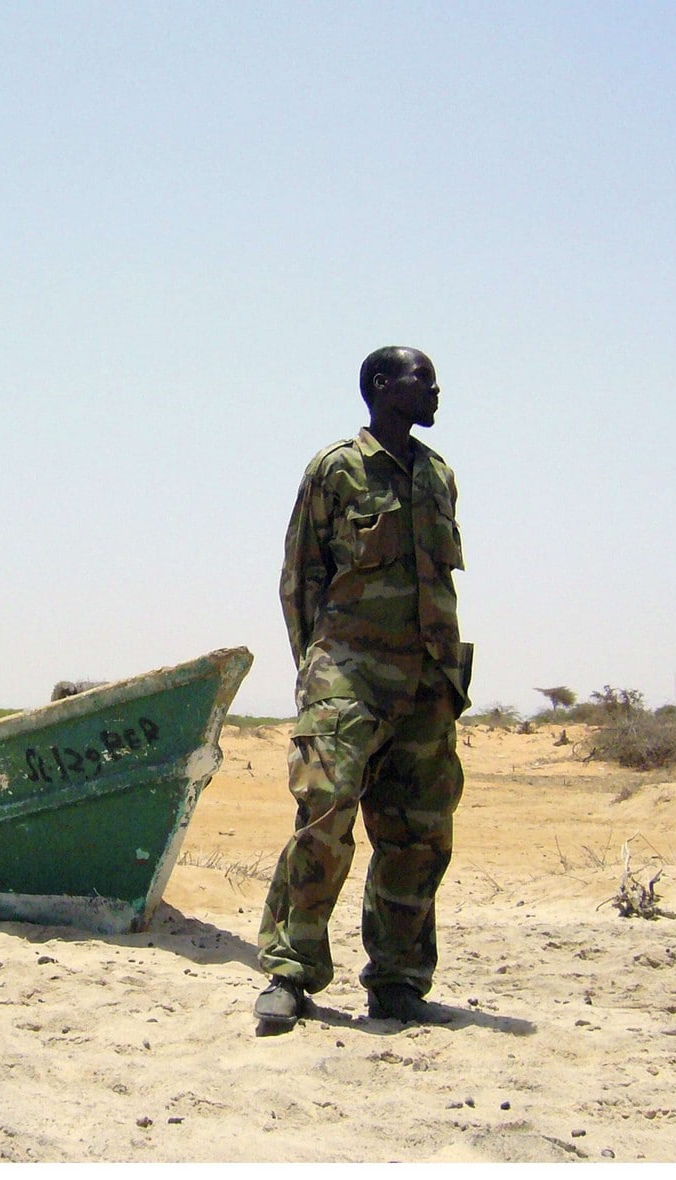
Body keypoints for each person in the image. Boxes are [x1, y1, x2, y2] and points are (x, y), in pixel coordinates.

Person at [254, 345, 471, 1034]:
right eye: (424, 380)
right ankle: (291, 972)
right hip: (346, 674)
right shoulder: (336, 469)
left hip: (427, 680)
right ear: (382, 386)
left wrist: (442, 677)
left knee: (417, 834)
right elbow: (300, 578)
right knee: (323, 817)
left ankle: (399, 981)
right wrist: (317, 674)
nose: (437, 391)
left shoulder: (438, 475)